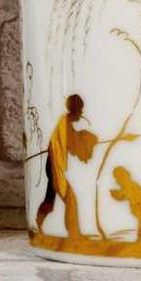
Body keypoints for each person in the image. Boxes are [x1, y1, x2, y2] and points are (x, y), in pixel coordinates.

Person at [35, 94, 99, 237]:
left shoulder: (65, 123)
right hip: (54, 167)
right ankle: (73, 233)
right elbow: (75, 145)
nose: (81, 113)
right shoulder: (64, 124)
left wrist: (85, 137)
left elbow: (73, 140)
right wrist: (89, 139)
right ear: (76, 110)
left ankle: (38, 225)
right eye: (80, 110)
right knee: (70, 198)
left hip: (54, 165)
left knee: (50, 199)